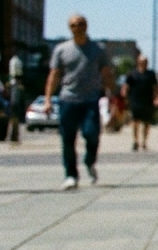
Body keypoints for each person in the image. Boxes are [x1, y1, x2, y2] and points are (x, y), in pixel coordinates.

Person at [43, 14, 114, 190]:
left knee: (92, 133)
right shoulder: (61, 50)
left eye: (81, 24)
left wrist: (112, 95)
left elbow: (106, 73)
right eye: (74, 25)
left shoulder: (98, 49)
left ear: (87, 26)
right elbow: (54, 75)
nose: (78, 27)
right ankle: (71, 175)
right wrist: (47, 100)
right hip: (68, 99)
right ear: (70, 28)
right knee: (68, 139)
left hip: (90, 100)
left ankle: (89, 161)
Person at [122, 54, 158, 151]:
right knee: (135, 121)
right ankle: (135, 141)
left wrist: (157, 98)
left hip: (147, 101)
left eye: (146, 62)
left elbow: (155, 87)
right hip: (135, 100)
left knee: (146, 122)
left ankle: (144, 141)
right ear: (138, 62)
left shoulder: (151, 74)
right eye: (142, 62)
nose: (144, 63)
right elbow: (126, 85)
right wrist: (124, 95)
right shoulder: (132, 74)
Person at [6, 52, 24, 144]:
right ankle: (13, 136)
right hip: (14, 107)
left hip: (14, 108)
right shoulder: (15, 61)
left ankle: (14, 136)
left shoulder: (14, 61)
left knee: (14, 117)